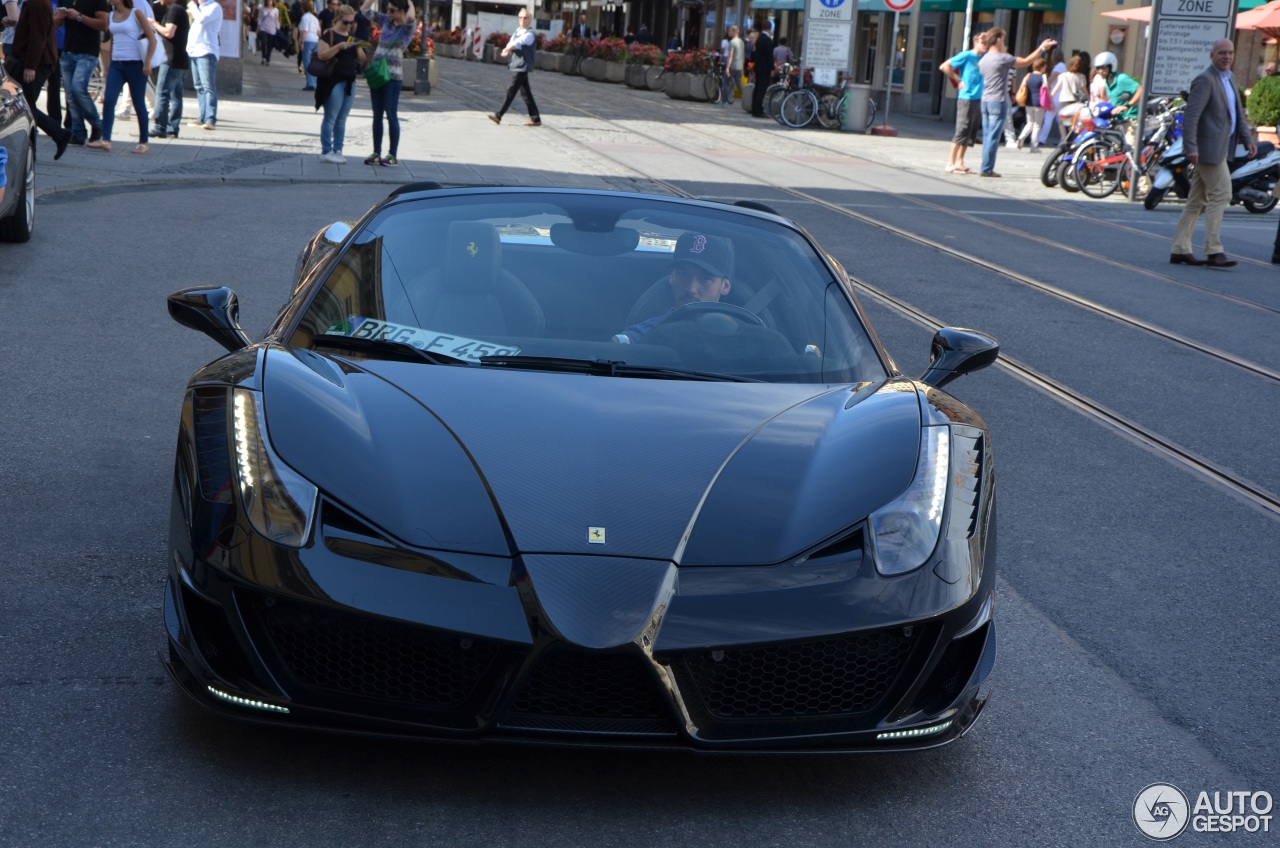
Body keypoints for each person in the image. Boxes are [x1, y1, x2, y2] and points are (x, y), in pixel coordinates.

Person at [1170, 39, 1254, 268]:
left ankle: (1179, 249)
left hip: (1221, 147)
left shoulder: (1230, 78)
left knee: (1196, 200)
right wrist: (1191, 147)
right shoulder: (1205, 80)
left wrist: (1247, 139)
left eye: (1230, 53)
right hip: (1207, 150)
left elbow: (1237, 114)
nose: (1227, 57)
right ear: (1212, 56)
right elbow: (1191, 117)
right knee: (1222, 193)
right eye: (1222, 53)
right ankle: (1214, 251)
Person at [615, 232, 735, 343]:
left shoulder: (740, 335)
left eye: (705, 279)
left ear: (725, 286)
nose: (691, 289)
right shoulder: (645, 335)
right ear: (672, 277)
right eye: (683, 274)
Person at [976, 28, 1056, 178]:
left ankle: (985, 166)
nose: (1004, 43)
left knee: (987, 135)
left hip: (985, 100)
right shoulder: (1002, 58)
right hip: (998, 100)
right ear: (998, 40)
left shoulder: (984, 59)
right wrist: (1042, 48)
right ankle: (986, 169)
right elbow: (1026, 61)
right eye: (1004, 40)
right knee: (993, 136)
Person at [3, 0, 72, 159]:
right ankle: (57, 135)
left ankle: (33, 149)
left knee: (25, 107)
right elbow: (36, 28)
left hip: (35, 63)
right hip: (28, 61)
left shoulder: (38, 3)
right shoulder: (34, 3)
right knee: (24, 105)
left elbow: (38, 36)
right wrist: (16, 22)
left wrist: (31, 66)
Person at [87, 0, 153, 152]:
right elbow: (114, 40)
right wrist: (110, 65)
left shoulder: (136, 13)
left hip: (136, 64)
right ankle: (106, 140)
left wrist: (147, 62)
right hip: (117, 64)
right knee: (109, 100)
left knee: (138, 103)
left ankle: (143, 142)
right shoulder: (111, 15)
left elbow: (152, 38)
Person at [359, 0, 413, 166]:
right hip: (377, 74)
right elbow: (364, 10)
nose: (388, 12)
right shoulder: (385, 21)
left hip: (393, 77)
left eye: (392, 10)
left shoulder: (407, 27)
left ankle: (392, 155)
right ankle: (376, 152)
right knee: (377, 116)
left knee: (391, 115)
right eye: (387, 9)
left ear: (402, 11)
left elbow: (411, 15)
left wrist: (409, 1)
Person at [313, 3, 363, 163]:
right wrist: (339, 47)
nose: (349, 25)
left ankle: (338, 150)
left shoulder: (352, 37)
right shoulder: (329, 34)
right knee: (331, 117)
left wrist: (359, 48)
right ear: (338, 19)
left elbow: (362, 60)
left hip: (350, 81)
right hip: (333, 81)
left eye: (351, 22)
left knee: (342, 119)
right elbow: (322, 55)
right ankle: (326, 151)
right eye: (345, 22)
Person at [53, 0, 108, 146]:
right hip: (68, 50)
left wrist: (79, 17)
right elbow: (55, 25)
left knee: (78, 88)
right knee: (70, 95)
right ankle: (78, 133)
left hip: (88, 52)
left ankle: (97, 124)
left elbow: (104, 24)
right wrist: (58, 16)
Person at [939, 32, 987, 174]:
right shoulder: (966, 55)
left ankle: (960, 161)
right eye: (983, 42)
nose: (985, 45)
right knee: (962, 129)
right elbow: (944, 66)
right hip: (966, 97)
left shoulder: (984, 57)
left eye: (987, 42)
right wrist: (958, 80)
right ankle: (950, 162)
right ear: (975, 42)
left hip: (978, 97)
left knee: (970, 131)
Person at [485, 7, 539, 127]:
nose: (522, 20)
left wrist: (508, 48)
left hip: (523, 65)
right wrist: (506, 49)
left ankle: (499, 115)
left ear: (530, 20)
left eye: (525, 18)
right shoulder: (517, 31)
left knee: (511, 89)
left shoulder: (530, 34)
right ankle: (535, 118)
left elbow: (519, 42)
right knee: (526, 93)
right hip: (517, 64)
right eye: (520, 17)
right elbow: (511, 42)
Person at [148, 0, 186, 137]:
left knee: (162, 93)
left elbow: (169, 32)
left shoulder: (174, 10)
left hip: (171, 59)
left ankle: (160, 127)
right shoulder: (179, 9)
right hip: (180, 59)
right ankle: (172, 128)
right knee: (176, 96)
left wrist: (153, 24)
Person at [1094, 50, 1140, 149]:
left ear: (1111, 66)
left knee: (1130, 150)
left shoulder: (1121, 79)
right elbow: (1116, 99)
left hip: (1130, 120)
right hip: (1118, 121)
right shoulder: (1107, 81)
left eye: (1103, 68)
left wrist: (1127, 105)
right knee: (1114, 149)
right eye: (1098, 68)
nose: (1100, 71)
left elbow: (1141, 90)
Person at [186, 0, 221, 129]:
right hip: (195, 51)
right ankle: (202, 116)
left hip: (206, 51)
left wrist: (194, 7)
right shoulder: (200, 7)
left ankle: (210, 118)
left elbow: (201, 20)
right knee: (199, 86)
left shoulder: (214, 7)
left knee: (208, 86)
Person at [1051, 53, 1087, 139]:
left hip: (1064, 101)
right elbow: (1085, 91)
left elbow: (1055, 89)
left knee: (1061, 121)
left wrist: (1049, 98)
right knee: (1074, 122)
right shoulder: (1081, 77)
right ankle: (1072, 137)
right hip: (1076, 102)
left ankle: (1063, 138)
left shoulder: (1063, 76)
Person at [1016, 57, 1047, 152]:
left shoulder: (1028, 76)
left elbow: (1022, 87)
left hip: (1028, 102)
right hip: (1039, 104)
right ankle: (1034, 147)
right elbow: (1046, 90)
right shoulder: (1043, 77)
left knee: (1030, 123)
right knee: (1037, 125)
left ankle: (1021, 136)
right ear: (1042, 67)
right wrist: (1051, 103)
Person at [1037, 46, 1064, 147]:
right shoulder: (1063, 66)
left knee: (1048, 117)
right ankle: (1063, 139)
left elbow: (1050, 80)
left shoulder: (1059, 67)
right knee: (1059, 119)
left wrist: (1045, 86)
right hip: (1059, 95)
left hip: (1055, 94)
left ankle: (1042, 139)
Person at [748, 25, 773, 117]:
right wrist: (772, 68)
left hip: (758, 67)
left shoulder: (758, 39)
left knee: (757, 88)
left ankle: (754, 108)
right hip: (765, 68)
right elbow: (769, 56)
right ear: (770, 29)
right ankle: (758, 109)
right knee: (761, 89)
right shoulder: (767, 40)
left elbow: (754, 54)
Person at [296, 0, 318, 89]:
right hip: (316, 40)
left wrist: (301, 42)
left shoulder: (305, 17)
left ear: (303, 8)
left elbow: (304, 31)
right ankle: (315, 83)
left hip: (308, 40)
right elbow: (319, 31)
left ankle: (310, 84)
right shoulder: (315, 18)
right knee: (315, 63)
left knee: (307, 63)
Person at [721, 24, 742, 109]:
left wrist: (727, 68)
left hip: (731, 64)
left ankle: (724, 102)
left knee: (725, 83)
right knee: (739, 84)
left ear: (734, 32)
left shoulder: (732, 42)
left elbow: (730, 56)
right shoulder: (741, 41)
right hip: (738, 65)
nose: (728, 32)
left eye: (729, 31)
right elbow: (742, 55)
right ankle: (750, 97)